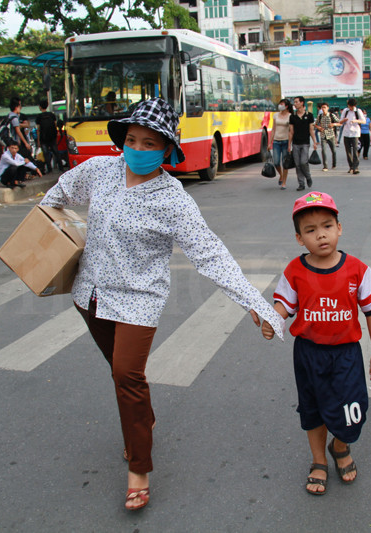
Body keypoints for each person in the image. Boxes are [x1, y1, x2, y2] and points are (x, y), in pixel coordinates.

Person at [39, 97, 285, 511]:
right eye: (131, 140)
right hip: (90, 295)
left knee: (126, 374)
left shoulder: (173, 200)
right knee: (123, 374)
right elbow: (57, 195)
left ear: (167, 149)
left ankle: (139, 467)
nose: (137, 149)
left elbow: (210, 254)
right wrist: (43, 237)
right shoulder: (100, 170)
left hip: (139, 299)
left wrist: (254, 304)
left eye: (149, 143)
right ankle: (143, 419)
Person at [261, 191, 371, 495]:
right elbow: (283, 305)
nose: (321, 235)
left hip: (346, 355)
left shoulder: (358, 270)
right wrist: (272, 320)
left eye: (327, 226)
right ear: (299, 238)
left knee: (354, 411)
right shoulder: (295, 271)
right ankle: (318, 460)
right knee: (313, 409)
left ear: (339, 228)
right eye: (310, 230)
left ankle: (340, 446)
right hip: (309, 354)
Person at [289, 96, 318, 191]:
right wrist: (289, 144)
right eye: (294, 102)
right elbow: (291, 132)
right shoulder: (292, 116)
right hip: (295, 143)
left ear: (302, 103)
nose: (295, 104)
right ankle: (301, 184)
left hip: (305, 143)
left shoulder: (309, 115)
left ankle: (308, 176)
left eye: (296, 102)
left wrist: (314, 142)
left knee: (303, 162)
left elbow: (311, 130)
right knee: (297, 164)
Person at [269, 98, 292, 190]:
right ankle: (281, 175)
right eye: (280, 104)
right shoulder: (276, 115)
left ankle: (284, 182)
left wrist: (290, 144)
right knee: (276, 162)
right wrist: (269, 142)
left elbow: (291, 131)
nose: (280, 106)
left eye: (282, 104)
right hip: (276, 141)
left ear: (286, 106)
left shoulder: (290, 116)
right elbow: (273, 129)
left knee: (285, 163)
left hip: (285, 141)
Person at [338, 98, 364, 174]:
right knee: (348, 151)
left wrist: (356, 120)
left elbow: (364, 121)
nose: (350, 108)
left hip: (355, 133)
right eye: (349, 106)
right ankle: (351, 167)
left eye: (352, 107)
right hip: (346, 133)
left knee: (355, 150)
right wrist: (344, 120)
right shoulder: (345, 111)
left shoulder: (358, 111)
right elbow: (340, 121)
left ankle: (356, 167)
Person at [35, 99, 60, 174]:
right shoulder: (52, 115)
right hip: (52, 137)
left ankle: (49, 169)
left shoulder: (39, 116)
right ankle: (61, 167)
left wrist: (38, 140)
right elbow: (55, 125)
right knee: (56, 152)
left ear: (40, 107)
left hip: (43, 138)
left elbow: (38, 129)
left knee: (46, 154)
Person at [315, 102, 338, 171]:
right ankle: (325, 166)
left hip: (331, 135)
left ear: (327, 108)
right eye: (322, 107)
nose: (323, 109)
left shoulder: (331, 115)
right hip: (323, 135)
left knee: (333, 151)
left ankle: (334, 164)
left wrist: (333, 124)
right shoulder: (320, 116)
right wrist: (319, 128)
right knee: (323, 151)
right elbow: (315, 124)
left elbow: (339, 122)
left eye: (324, 107)